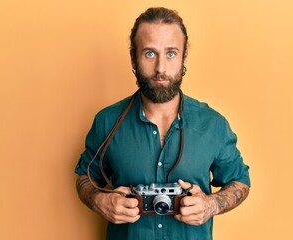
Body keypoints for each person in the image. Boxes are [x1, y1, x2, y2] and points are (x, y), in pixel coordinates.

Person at [75, 7, 250, 240]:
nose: (160, 68)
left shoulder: (213, 124)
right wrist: (100, 200)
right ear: (133, 58)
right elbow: (84, 177)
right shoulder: (107, 121)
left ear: (184, 56)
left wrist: (212, 204)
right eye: (149, 53)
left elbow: (240, 181)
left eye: (171, 53)